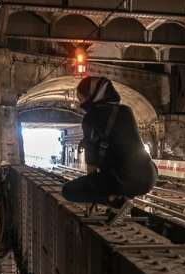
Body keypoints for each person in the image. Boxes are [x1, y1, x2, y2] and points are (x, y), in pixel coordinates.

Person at [61, 76, 157, 223]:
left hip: (121, 178)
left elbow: (91, 161)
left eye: (82, 97)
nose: (81, 101)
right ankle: (117, 204)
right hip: (148, 177)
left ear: (92, 96)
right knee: (115, 166)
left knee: (68, 191)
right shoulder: (127, 111)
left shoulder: (90, 118)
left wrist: (91, 195)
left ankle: (114, 202)